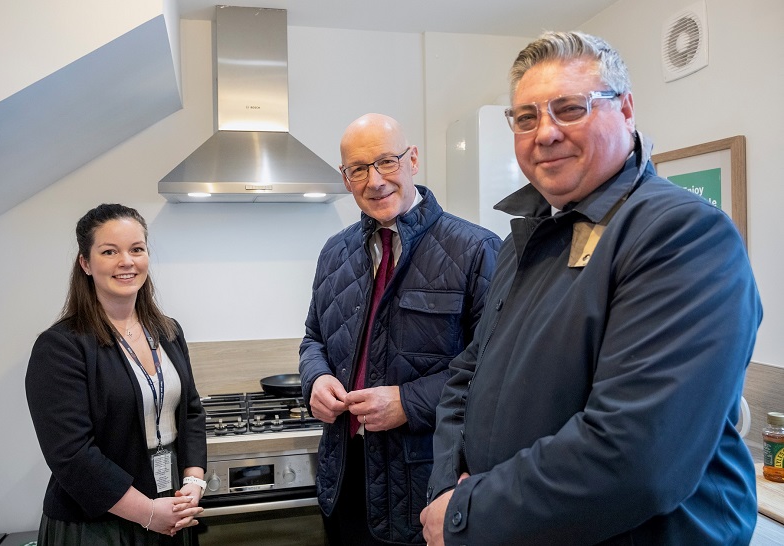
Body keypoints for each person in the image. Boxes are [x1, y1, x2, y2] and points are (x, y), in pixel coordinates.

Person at [420, 31, 763, 545]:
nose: (545, 133)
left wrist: (468, 512)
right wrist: (450, 488)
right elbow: (466, 377)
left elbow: (635, 457)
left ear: (626, 110)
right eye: (526, 118)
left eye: (570, 108)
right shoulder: (526, 240)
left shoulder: (681, 235)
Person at [299, 113, 501, 545]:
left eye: (386, 162)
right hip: (343, 480)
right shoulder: (335, 252)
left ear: (413, 160)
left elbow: (496, 372)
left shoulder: (476, 250)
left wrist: (409, 401)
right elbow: (313, 337)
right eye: (358, 169)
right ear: (345, 178)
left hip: (424, 486)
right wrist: (314, 378)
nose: (374, 181)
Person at [26, 204, 207, 545]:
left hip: (170, 510)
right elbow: (73, 455)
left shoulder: (168, 331)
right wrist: (148, 513)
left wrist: (193, 483)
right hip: (99, 525)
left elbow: (192, 411)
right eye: (110, 251)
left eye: (137, 249)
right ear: (85, 263)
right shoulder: (61, 347)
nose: (127, 261)